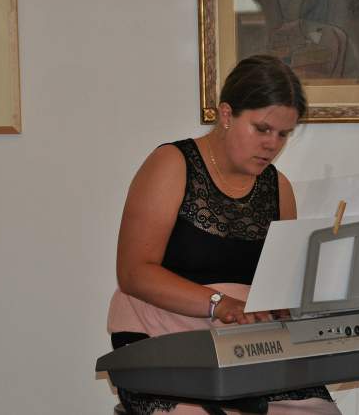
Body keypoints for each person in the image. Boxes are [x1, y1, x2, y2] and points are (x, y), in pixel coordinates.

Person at [107, 55, 342, 415]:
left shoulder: (278, 188)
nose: (272, 144)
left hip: (245, 345)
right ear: (227, 114)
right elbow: (133, 272)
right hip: (159, 338)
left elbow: (280, 287)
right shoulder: (172, 164)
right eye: (262, 129)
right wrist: (220, 303)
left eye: (283, 134)